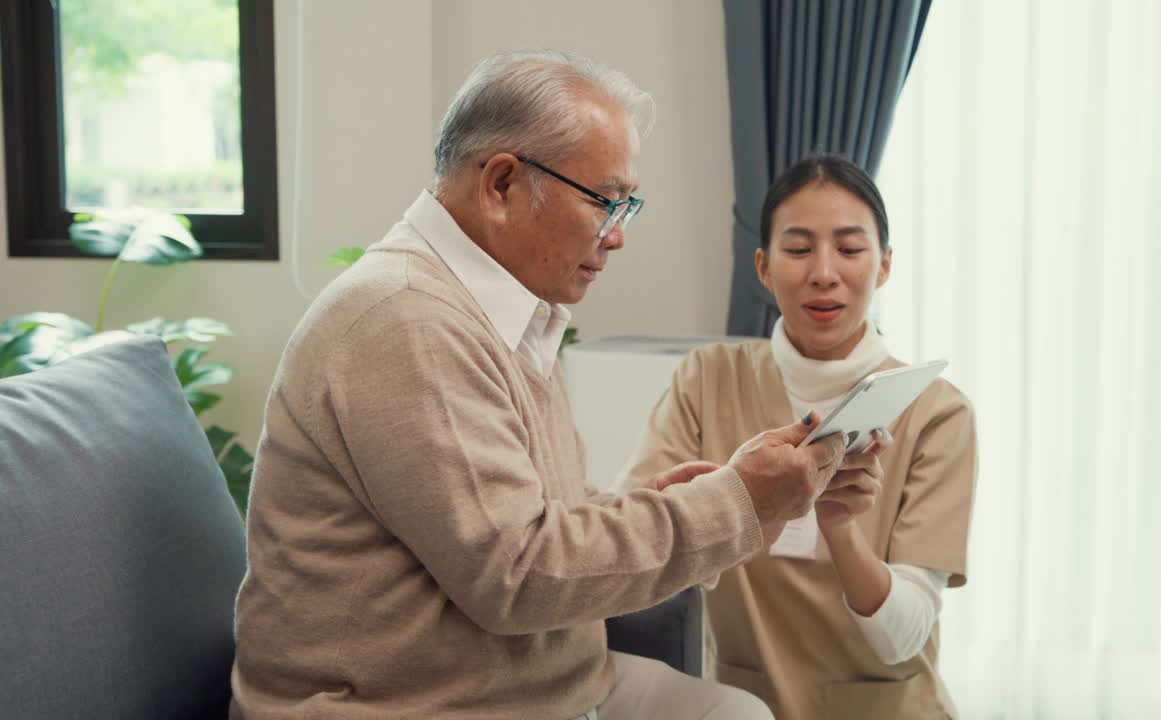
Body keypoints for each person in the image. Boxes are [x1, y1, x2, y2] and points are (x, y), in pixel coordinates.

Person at [229, 51, 856, 720]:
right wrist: (734, 502)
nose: (618, 237)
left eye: (629, 206)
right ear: (501, 183)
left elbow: (530, 515)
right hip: (403, 705)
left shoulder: (505, 307)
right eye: (606, 202)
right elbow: (519, 574)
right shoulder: (405, 320)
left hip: (536, 685)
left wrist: (696, 505)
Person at [621, 155, 978, 719]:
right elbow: (636, 547)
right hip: (745, 706)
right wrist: (743, 502)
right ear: (763, 267)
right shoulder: (707, 379)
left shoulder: (936, 411)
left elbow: (903, 636)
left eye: (850, 248)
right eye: (798, 248)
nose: (823, 272)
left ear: (884, 265)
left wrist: (839, 526)